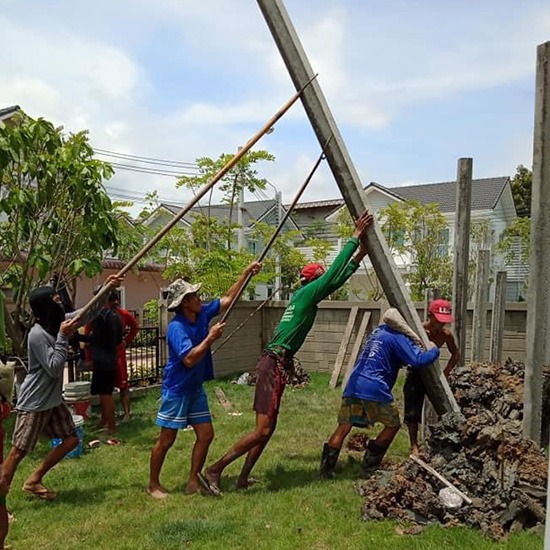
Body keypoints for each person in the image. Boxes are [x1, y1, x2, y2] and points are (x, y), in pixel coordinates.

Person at [203, 210, 374, 494]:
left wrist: (358, 258)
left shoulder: (303, 296)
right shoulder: (307, 294)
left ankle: (244, 477)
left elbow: (335, 279)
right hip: (273, 363)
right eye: (320, 280)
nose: (325, 285)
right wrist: (354, 239)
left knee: (268, 430)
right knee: (262, 430)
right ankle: (215, 469)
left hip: (277, 363)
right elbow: (333, 276)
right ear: (312, 281)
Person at [0, 275, 122, 503]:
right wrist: (64, 337)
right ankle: (1, 502)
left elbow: (86, 313)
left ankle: (34, 479)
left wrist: (107, 289)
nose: (60, 304)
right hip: (35, 403)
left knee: (72, 439)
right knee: (18, 452)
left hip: (53, 401)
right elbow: (55, 368)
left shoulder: (58, 321)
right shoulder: (38, 335)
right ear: (46, 306)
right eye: (56, 301)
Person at [147, 261, 262, 499]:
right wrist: (210, 339)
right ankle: (153, 485)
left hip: (194, 388)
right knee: (167, 439)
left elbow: (228, 299)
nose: (199, 297)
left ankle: (193, 481)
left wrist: (245, 273)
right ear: (184, 303)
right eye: (194, 295)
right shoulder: (177, 328)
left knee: (206, 434)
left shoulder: (201, 315)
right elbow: (189, 359)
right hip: (177, 389)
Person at [320, 308, 440, 479]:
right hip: (374, 387)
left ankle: (325, 472)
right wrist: (434, 350)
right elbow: (418, 360)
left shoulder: (378, 332)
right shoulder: (397, 337)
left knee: (344, 426)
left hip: (354, 383)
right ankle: (370, 465)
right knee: (393, 424)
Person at [404, 298, 459, 455]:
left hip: (434, 373)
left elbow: (456, 354)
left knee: (443, 405)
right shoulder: (417, 330)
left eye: (444, 322)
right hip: (416, 371)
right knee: (413, 410)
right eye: (439, 321)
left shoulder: (446, 335)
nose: (441, 325)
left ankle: (444, 439)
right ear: (430, 316)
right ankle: (414, 445)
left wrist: (447, 371)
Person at [85, 289, 123, 438]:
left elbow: (96, 338)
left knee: (106, 394)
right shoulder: (116, 316)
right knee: (104, 392)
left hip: (103, 360)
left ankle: (111, 426)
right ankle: (104, 420)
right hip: (111, 357)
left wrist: (79, 338)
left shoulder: (101, 316)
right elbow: (119, 339)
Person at [112, 293, 139, 422]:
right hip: (104, 353)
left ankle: (127, 413)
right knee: (106, 387)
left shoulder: (123, 314)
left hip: (119, 353)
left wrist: (126, 340)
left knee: (123, 385)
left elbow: (135, 327)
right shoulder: (97, 314)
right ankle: (108, 416)